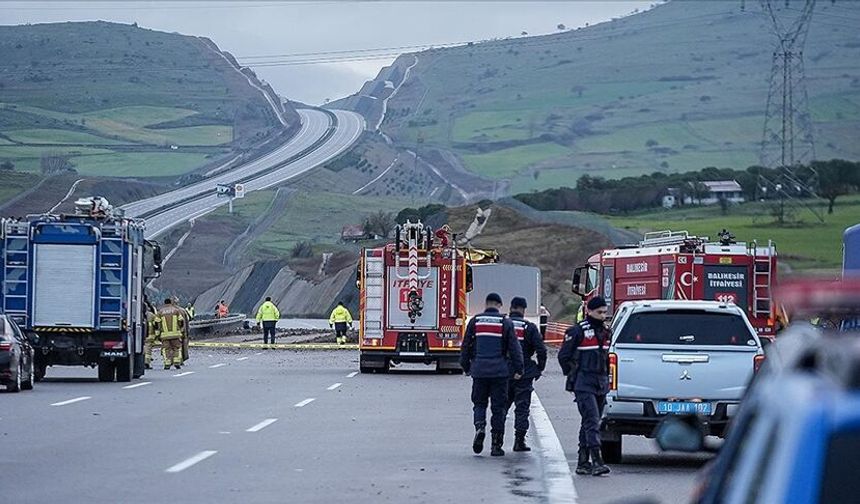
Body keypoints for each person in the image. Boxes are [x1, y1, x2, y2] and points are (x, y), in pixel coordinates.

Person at [460, 293, 524, 457]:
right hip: (500, 372)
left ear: (486, 304)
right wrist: (519, 369)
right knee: (498, 409)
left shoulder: (475, 321)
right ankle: (496, 445)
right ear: (499, 305)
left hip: (479, 371)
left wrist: (466, 366)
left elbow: (466, 345)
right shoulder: (505, 322)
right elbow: (514, 348)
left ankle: (480, 426)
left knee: (479, 404)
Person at [558, 296, 612, 476]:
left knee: (591, 421)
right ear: (589, 311)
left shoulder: (606, 333)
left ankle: (583, 461)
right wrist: (573, 375)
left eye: (605, 312)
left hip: (600, 383)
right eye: (599, 312)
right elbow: (563, 356)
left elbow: (605, 359)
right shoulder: (577, 331)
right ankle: (597, 460)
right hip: (583, 382)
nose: (603, 315)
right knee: (591, 420)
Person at [506, 297, 548, 452]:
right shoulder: (529, 327)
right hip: (524, 372)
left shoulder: (503, 325)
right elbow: (541, 350)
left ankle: (496, 443)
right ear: (523, 309)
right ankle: (519, 441)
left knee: (501, 407)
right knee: (522, 408)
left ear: (511, 308)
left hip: (503, 372)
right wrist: (539, 368)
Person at [158, 298, 187, 370]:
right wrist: (180, 329)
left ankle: (167, 364)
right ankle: (177, 362)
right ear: (171, 303)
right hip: (176, 334)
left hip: (165, 335)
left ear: (164, 303)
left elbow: (156, 322)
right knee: (177, 348)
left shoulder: (160, 312)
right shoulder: (176, 311)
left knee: (166, 349)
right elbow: (181, 320)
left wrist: (158, 333)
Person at [143, 298, 161, 370]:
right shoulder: (152, 315)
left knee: (143, 348)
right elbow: (156, 324)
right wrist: (157, 334)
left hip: (141, 336)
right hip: (150, 335)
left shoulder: (138, 314)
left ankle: (143, 361)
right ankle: (146, 362)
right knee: (148, 349)